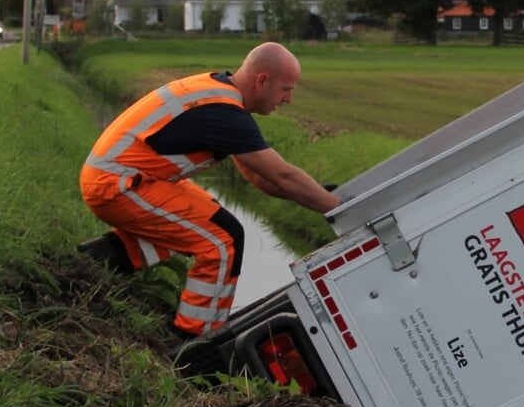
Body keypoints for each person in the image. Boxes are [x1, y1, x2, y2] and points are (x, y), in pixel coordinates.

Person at [76, 42, 340, 358]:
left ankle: (90, 263)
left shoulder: (221, 93)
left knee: (204, 221)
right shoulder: (226, 114)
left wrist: (316, 196)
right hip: (117, 184)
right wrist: (339, 209)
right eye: (286, 89)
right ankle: (192, 346)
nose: (289, 99)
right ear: (262, 81)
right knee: (222, 240)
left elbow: (261, 178)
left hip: (120, 176)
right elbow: (282, 176)